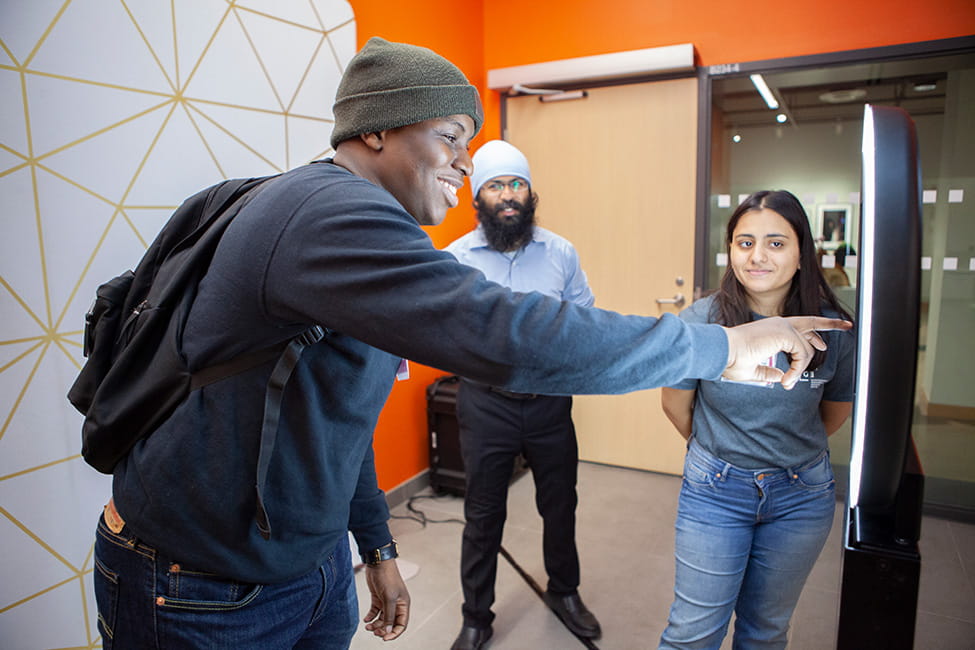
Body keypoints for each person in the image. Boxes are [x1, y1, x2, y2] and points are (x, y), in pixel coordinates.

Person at [91, 36, 848, 649]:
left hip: (304, 564)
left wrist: (374, 548)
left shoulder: (353, 226)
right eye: (451, 138)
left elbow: (334, 416)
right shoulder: (329, 216)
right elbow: (505, 334)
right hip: (199, 587)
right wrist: (721, 349)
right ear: (377, 129)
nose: (467, 163)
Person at [658, 190, 856, 649]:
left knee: (765, 631)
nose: (757, 256)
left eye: (776, 243)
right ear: (730, 252)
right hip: (715, 493)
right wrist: (720, 449)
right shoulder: (704, 320)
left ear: (803, 253)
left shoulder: (831, 328)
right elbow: (675, 404)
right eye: (745, 243)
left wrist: (779, 451)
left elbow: (834, 413)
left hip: (801, 497)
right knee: (692, 633)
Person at [445, 140, 600, 649]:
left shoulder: (561, 253)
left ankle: (565, 592)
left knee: (560, 506)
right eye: (496, 185)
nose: (508, 195)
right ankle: (476, 617)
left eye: (517, 184)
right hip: (485, 405)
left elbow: (585, 320)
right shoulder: (454, 261)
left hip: (551, 403)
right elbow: (436, 331)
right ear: (478, 196)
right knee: (483, 514)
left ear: (530, 192)